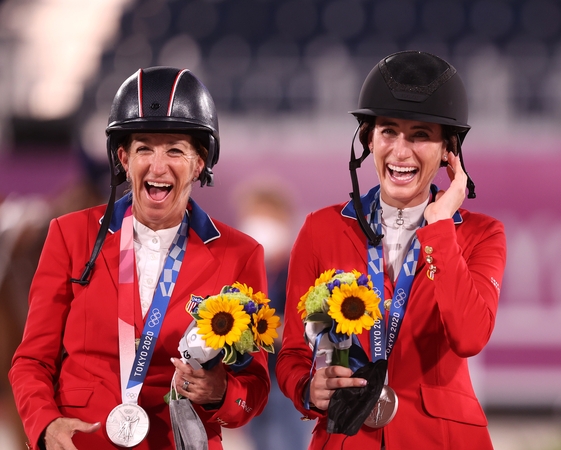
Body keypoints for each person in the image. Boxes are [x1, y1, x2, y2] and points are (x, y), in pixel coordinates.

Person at [9, 67, 270, 449]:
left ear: (200, 163)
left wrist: (219, 391)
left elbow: (255, 388)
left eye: (175, 150)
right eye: (144, 147)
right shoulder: (69, 236)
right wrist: (46, 424)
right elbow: (32, 361)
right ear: (123, 158)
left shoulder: (241, 254)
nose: (158, 165)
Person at [276, 50, 507, 449]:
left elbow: (469, 336)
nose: (401, 152)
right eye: (388, 131)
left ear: (448, 150)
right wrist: (306, 387)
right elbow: (295, 348)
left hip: (445, 439)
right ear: (368, 138)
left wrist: (439, 228)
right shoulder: (321, 228)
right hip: (348, 438)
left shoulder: (482, 234)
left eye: (420, 135)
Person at [234, 181, 314, 449]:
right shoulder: (243, 271)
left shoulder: (297, 268)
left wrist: (262, 329)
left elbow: (308, 326)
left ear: (283, 219)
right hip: (250, 377)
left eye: (266, 216)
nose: (260, 225)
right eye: (254, 216)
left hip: (286, 381)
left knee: (286, 443)